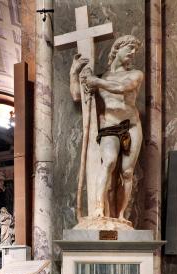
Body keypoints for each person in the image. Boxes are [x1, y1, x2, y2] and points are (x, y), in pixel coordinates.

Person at [72, 35, 143, 220]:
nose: (133, 53)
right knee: (109, 161)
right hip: (110, 125)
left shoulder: (135, 74)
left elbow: (123, 87)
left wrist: (97, 82)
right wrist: (74, 74)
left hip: (131, 125)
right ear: (117, 50)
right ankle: (98, 209)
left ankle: (121, 215)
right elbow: (77, 97)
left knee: (127, 172)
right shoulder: (101, 77)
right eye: (130, 48)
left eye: (135, 50)